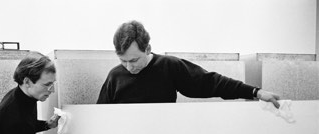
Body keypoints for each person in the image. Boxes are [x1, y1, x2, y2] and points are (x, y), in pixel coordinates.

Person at [97, 20, 280, 107]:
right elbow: (100, 120)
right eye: (123, 61)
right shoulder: (115, 76)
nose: (129, 67)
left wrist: (256, 92)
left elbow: (211, 83)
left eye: (134, 60)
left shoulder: (168, 67)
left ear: (147, 49)